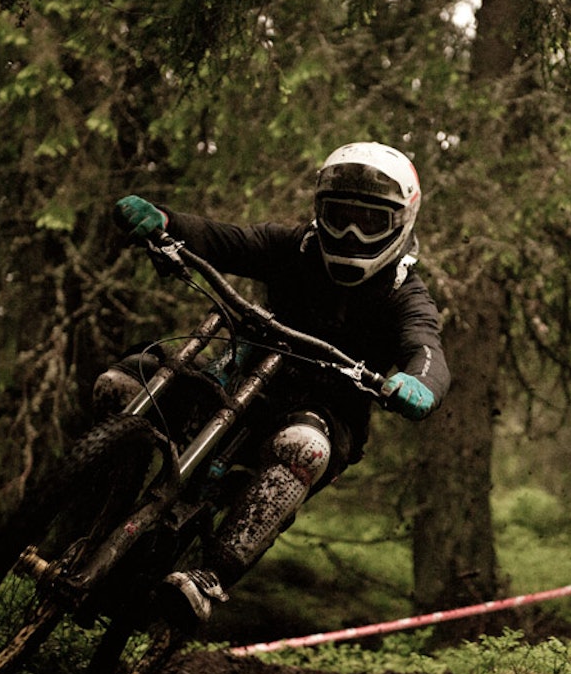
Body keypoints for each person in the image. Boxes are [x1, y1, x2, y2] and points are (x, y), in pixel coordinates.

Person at [97, 141, 451, 627]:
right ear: (318, 213)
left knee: (302, 448)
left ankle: (210, 576)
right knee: (120, 382)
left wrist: (418, 383)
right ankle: (99, 504)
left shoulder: (403, 294)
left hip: (324, 414)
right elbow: (222, 239)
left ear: (401, 221)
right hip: (242, 375)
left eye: (369, 221)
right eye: (339, 216)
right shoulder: (293, 247)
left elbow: (426, 349)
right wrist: (165, 221)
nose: (350, 233)